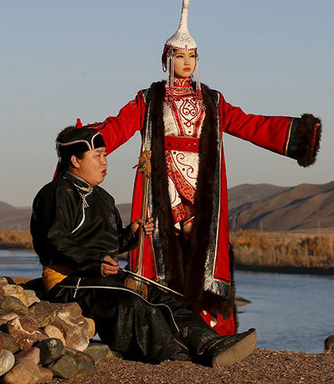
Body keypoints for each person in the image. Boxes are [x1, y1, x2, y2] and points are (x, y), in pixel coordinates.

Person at [86, 0, 322, 336]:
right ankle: (157, 329)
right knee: (164, 251)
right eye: (180, 55)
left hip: (203, 185)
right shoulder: (149, 99)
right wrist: (85, 141)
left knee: (201, 253)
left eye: (192, 55)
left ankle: (206, 329)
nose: (187, 61)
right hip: (162, 184)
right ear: (166, 59)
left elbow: (249, 124)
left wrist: (298, 136)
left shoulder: (211, 100)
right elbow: (117, 127)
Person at [30, 125, 257, 366]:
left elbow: (111, 245)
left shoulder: (104, 198)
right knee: (132, 302)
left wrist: (131, 234)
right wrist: (94, 264)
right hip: (69, 281)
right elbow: (56, 242)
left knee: (165, 296)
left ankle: (210, 343)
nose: (104, 162)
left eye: (105, 154)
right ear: (75, 160)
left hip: (100, 276)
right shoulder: (55, 193)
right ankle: (177, 357)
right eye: (97, 156)